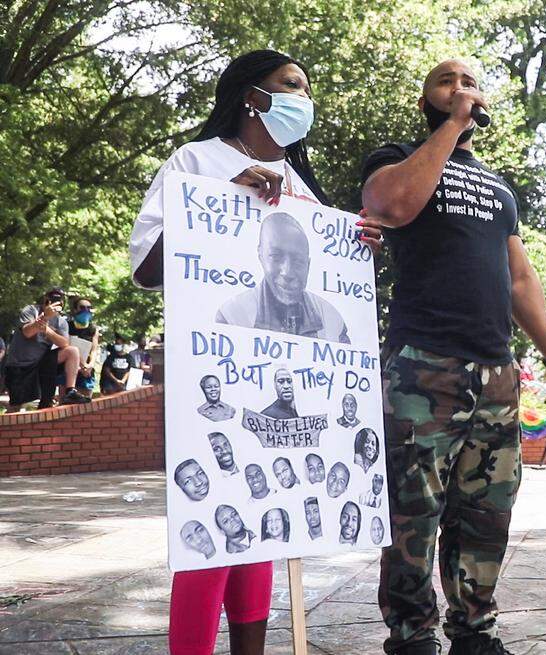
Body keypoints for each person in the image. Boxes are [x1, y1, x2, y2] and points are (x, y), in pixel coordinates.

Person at [358, 58, 546, 655]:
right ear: (427, 99)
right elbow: (392, 205)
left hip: (497, 372)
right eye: (446, 81)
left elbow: (519, 278)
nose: (461, 89)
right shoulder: (396, 159)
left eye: (470, 82)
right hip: (422, 367)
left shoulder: (500, 187)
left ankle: (474, 631)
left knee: (486, 515)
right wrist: (451, 128)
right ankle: (410, 635)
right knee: (413, 512)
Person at [129, 48, 330, 655]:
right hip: (215, 375)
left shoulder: (302, 188)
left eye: (305, 87)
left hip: (282, 384)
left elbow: (325, 278)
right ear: (252, 96)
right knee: (211, 528)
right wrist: (221, 199)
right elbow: (146, 267)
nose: (303, 97)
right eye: (289, 85)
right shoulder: (197, 160)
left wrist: (358, 240)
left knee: (266, 521)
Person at [215, 211, 350, 343]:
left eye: (298, 261)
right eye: (276, 256)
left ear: (308, 265)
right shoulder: (233, 316)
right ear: (261, 255)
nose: (287, 272)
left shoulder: (332, 320)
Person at [3, 288, 89, 408]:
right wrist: (45, 317)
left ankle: (70, 391)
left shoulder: (61, 322)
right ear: (45, 300)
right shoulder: (31, 310)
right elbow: (27, 332)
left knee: (72, 351)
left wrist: (47, 330)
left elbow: (64, 343)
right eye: (53, 300)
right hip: (20, 365)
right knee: (17, 406)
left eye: (59, 301)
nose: (56, 303)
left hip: (42, 363)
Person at [67, 297, 100, 398]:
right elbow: (67, 345)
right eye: (82, 307)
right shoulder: (68, 326)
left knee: (86, 403)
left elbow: (94, 350)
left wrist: (90, 365)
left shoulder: (93, 329)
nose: (86, 310)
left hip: (87, 371)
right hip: (69, 369)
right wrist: (82, 365)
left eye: (89, 307)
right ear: (75, 309)